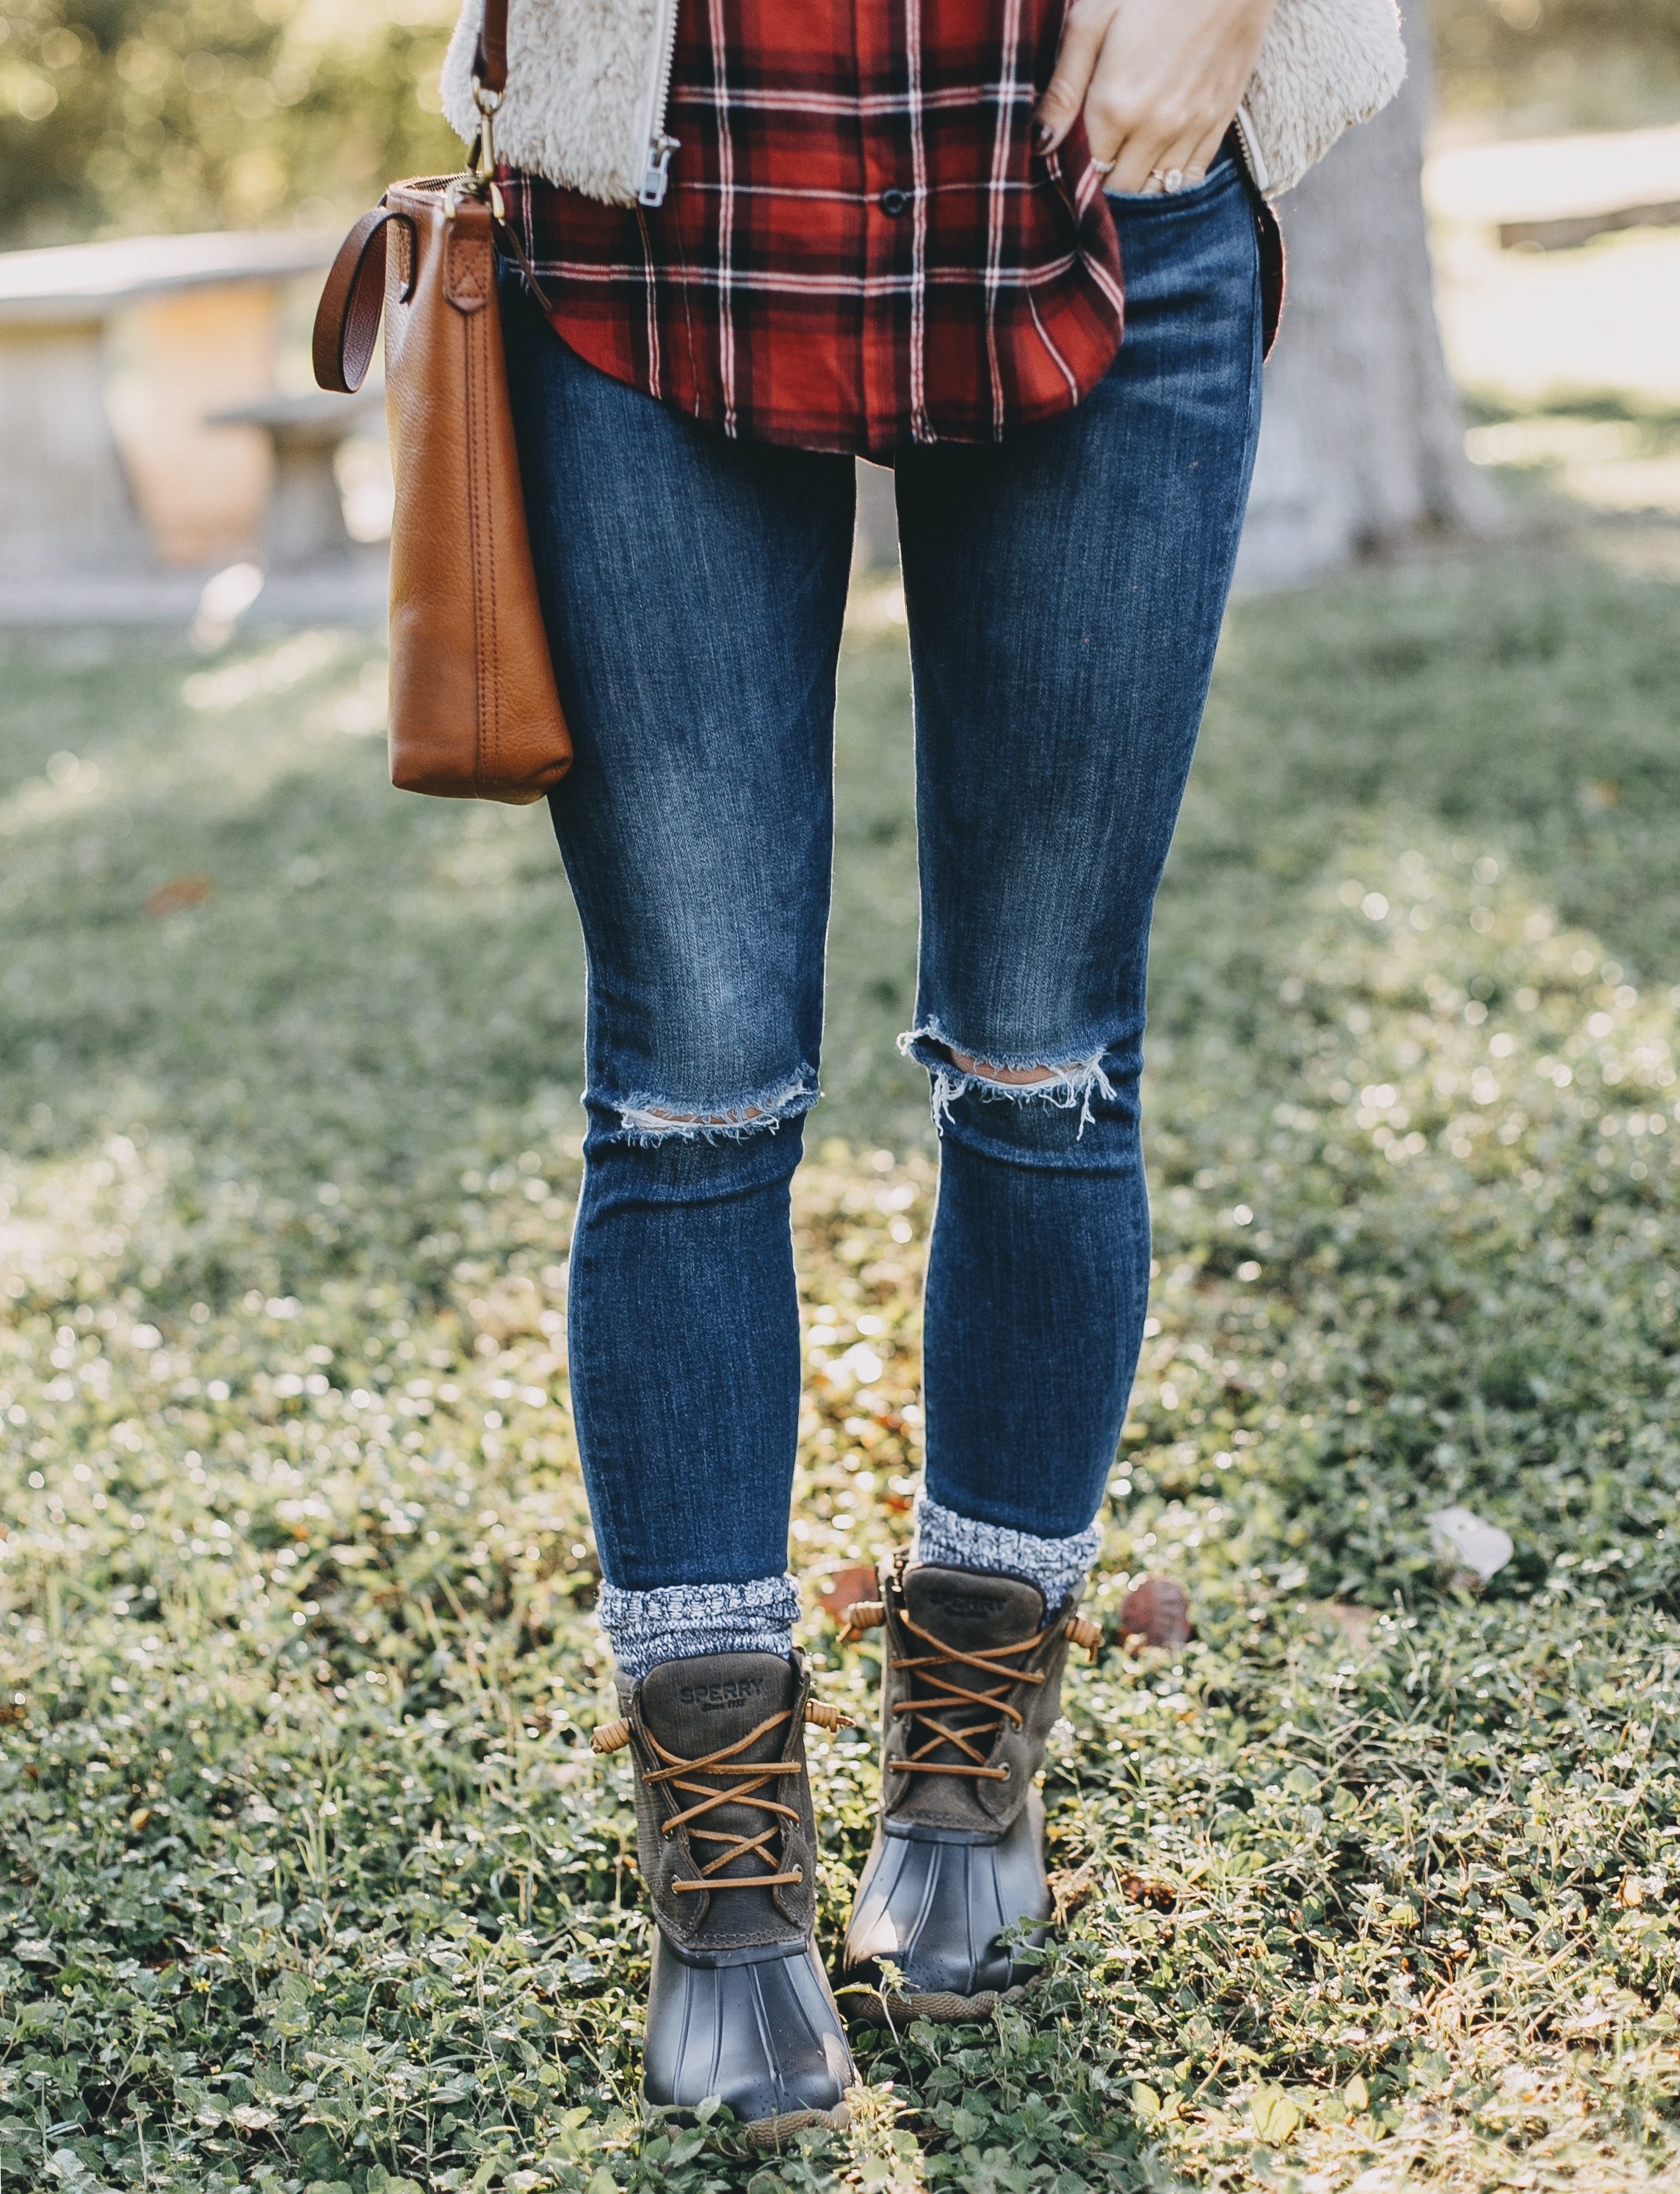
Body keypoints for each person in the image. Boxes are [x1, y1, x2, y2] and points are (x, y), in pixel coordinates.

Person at [440, 0, 1392, 2145]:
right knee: (689, 1081)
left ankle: (970, 1749)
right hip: (659, 205)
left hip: (1114, 166)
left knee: (1047, 1055)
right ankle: (725, 1868)